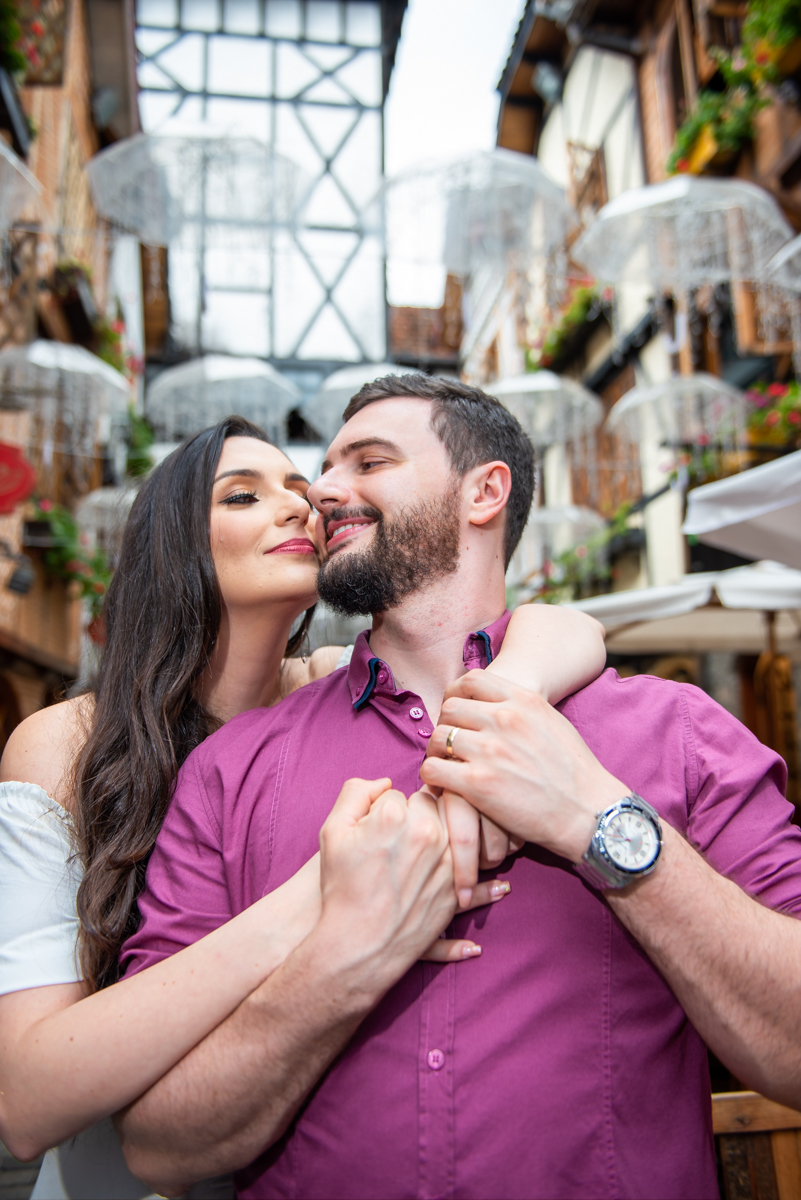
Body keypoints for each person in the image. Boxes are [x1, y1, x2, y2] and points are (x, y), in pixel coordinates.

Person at [117, 373, 801, 1200]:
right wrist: (340, 968)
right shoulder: (230, 770)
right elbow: (158, 1147)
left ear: (485, 491)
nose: (323, 493)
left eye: (368, 461)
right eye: (327, 469)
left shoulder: (677, 732)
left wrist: (596, 819)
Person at [0, 414, 607, 1199]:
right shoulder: (66, 743)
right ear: (172, 541)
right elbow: (26, 1103)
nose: (299, 506)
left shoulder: (330, 694)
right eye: (243, 496)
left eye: (298, 489)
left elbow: (570, 626)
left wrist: (508, 701)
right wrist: (323, 901)